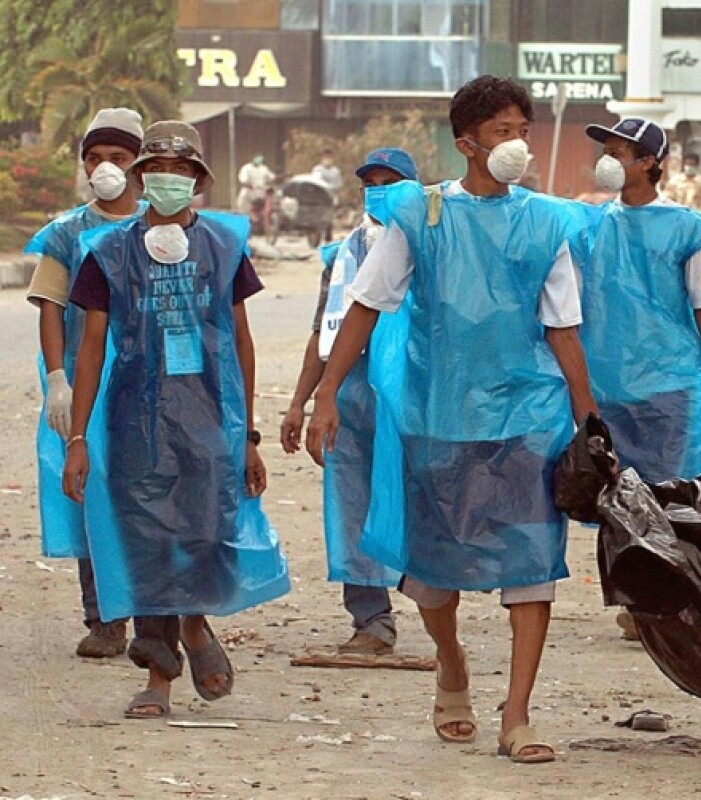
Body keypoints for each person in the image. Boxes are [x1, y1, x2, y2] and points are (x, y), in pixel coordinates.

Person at [306, 75, 596, 764]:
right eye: (503, 131)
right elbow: (366, 307)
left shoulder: (549, 222)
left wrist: (587, 413)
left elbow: (563, 325)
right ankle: (451, 662)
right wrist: (325, 394)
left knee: (532, 565)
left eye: (524, 129)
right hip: (438, 414)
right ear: (466, 142)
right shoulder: (420, 216)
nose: (518, 143)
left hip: (526, 418)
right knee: (432, 574)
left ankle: (517, 715)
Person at [62, 121, 292, 719]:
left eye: (183, 169)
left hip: (211, 416)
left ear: (198, 180)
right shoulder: (107, 254)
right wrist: (78, 437)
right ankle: (158, 677)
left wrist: (249, 437)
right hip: (135, 421)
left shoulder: (223, 245)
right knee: (148, 540)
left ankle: (195, 625)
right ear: (141, 179)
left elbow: (240, 338)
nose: (170, 178)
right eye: (158, 168)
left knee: (203, 530)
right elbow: (91, 347)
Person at [582, 119, 701, 641]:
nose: (609, 160)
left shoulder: (686, 228)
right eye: (607, 150)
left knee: (670, 498)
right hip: (610, 385)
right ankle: (639, 602)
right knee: (619, 500)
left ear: (652, 163)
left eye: (621, 152)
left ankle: (669, 601)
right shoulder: (591, 225)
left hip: (671, 384)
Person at [281, 148, 419, 655]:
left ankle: (431, 601)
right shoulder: (343, 257)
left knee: (419, 499)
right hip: (352, 393)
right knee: (351, 501)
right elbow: (325, 330)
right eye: (371, 183)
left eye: (392, 183)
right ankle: (371, 618)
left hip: (414, 392)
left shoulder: (434, 249)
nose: (379, 192)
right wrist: (304, 401)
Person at [25, 108, 146, 658]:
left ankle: (157, 618)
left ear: (138, 164)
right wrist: (57, 379)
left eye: (118, 159)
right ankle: (103, 619)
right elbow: (50, 308)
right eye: (94, 158)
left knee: (147, 496)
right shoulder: (66, 234)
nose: (105, 169)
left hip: (149, 383)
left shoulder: (162, 226)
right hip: (86, 385)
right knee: (90, 492)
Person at [664, 152, 701, 216]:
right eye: (688, 164)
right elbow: (667, 200)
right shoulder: (675, 181)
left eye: (692, 164)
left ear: (697, 165)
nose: (689, 167)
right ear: (684, 165)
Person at [237, 154, 276, 232]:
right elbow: (243, 179)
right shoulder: (247, 168)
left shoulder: (264, 168)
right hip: (249, 191)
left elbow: (272, 177)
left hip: (261, 192)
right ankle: (245, 225)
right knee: (242, 205)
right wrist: (248, 184)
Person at [311, 149, 344, 241]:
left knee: (329, 219)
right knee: (318, 217)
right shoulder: (317, 169)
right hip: (319, 197)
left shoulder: (336, 171)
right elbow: (315, 182)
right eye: (326, 157)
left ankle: (328, 237)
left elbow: (338, 185)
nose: (327, 160)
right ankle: (316, 235)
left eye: (329, 158)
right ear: (322, 158)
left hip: (331, 197)